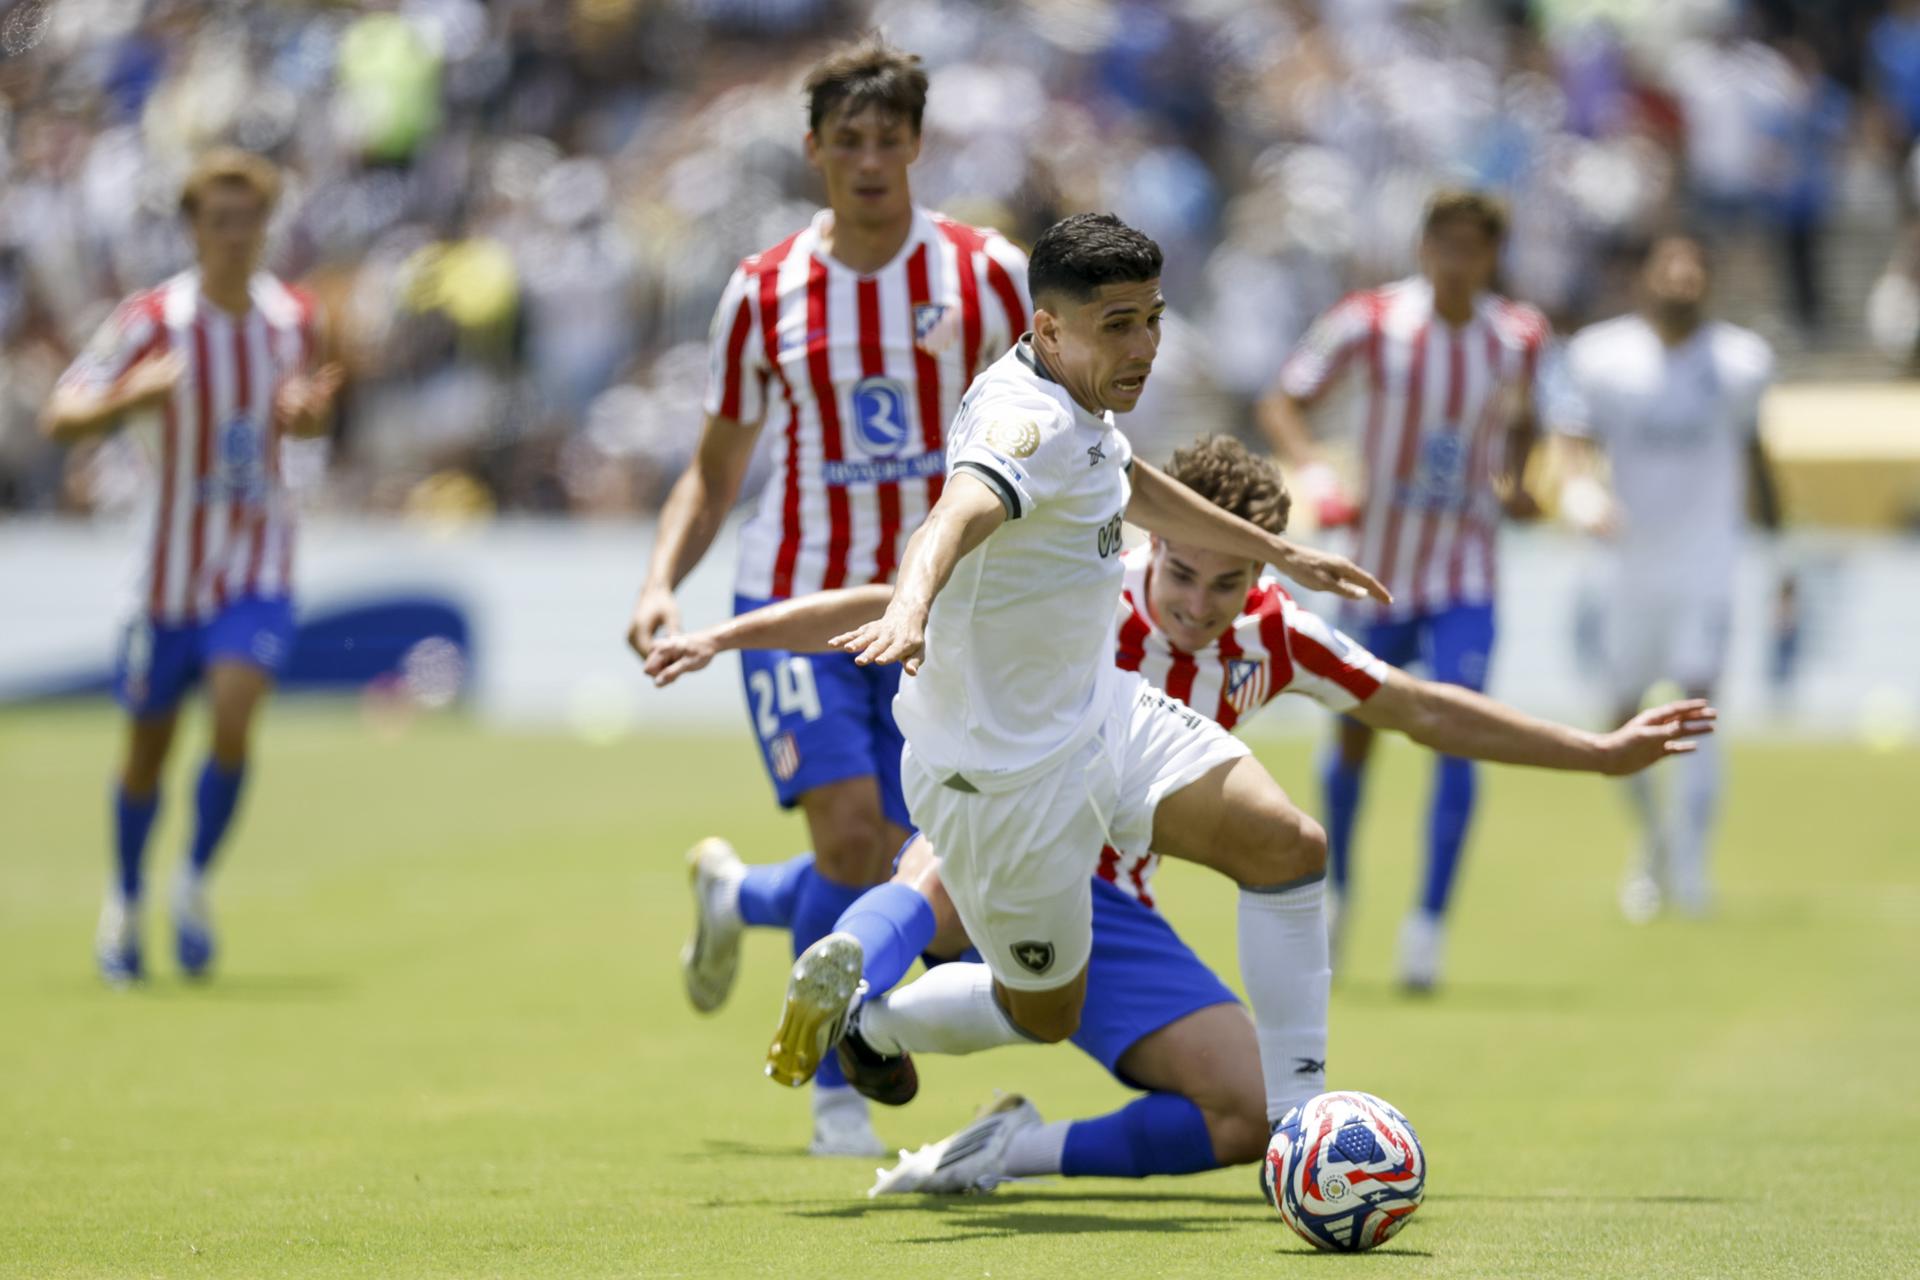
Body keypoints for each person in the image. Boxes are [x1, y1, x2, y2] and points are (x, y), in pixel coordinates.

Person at [644, 435, 1715, 1194]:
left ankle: (991, 1138)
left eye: (1228, 583)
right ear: (1149, 544)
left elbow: (1423, 707)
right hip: (1009, 816)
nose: (1198, 606)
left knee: (1241, 1115)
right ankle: (857, 973)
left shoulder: (1280, 634)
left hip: (1117, 906)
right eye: (1183, 572)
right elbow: (882, 596)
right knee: (954, 862)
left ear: (1262, 575)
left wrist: (1597, 751)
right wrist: (725, 638)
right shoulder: (1076, 581)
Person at [621, 38, 1029, 1157]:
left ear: (915, 146)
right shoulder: (764, 293)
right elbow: (715, 466)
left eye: (887, 139)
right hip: (796, 594)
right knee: (855, 834)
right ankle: (834, 1087)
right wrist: (663, 582)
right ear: (811, 150)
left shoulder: (985, 275)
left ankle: (741, 895)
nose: (867, 159)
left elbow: (1050, 424)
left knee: (912, 863)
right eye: (846, 139)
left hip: (938, 608)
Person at [40, 147, 342, 986]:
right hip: (167, 570)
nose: (238, 237)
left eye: (250, 221)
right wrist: (126, 402)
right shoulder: (151, 320)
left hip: (258, 557)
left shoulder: (292, 319)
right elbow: (60, 413)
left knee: (237, 716)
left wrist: (310, 421)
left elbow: (308, 420)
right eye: (221, 222)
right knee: (148, 750)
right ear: (193, 230)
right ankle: (127, 899)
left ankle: (194, 884)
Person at [1257, 188, 1550, 990]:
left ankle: (1426, 928)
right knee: (1354, 737)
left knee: (1459, 725)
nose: (1458, 262)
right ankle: (1339, 895)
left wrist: (1518, 481)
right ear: (1424, 248)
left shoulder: (1518, 336)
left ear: (1492, 257)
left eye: (1474, 248)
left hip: (1465, 569)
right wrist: (1316, 469)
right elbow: (1285, 396)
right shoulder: (1373, 320)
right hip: (1376, 571)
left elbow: (1529, 420)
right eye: (1445, 244)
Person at [1550, 233, 1779, 920]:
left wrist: (1782, 556)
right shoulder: (1600, 356)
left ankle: (1692, 865)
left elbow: (1756, 458)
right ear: (1646, 276)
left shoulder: (1742, 361)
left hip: (1706, 563)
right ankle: (1653, 839)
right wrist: (1582, 498)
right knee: (1621, 717)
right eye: (1671, 264)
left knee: (1699, 704)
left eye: (1695, 265)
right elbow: (1570, 446)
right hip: (1628, 568)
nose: (1683, 276)